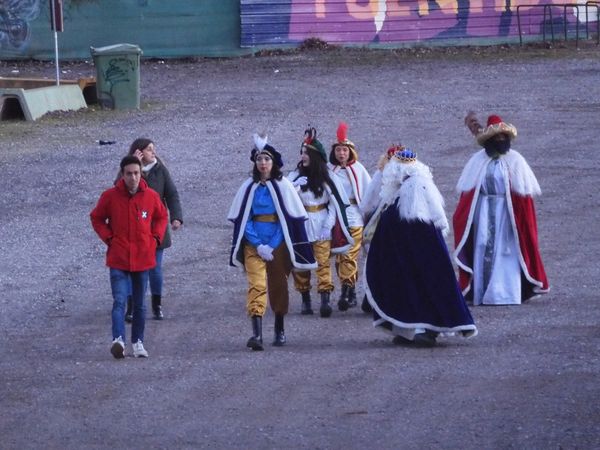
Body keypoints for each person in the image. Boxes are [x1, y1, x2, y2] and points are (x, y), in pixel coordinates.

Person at [364, 148, 477, 347]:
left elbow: (415, 223)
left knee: (421, 287)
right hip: (405, 253)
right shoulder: (402, 188)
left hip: (418, 254)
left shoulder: (414, 188)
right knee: (406, 287)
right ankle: (407, 330)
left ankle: (424, 329)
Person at [228, 134, 317, 351]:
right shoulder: (248, 187)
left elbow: (287, 219)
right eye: (259, 159)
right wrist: (258, 244)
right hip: (254, 245)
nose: (263, 163)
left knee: (278, 285)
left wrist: (272, 244)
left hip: (278, 244)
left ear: (273, 162)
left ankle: (279, 328)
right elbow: (244, 218)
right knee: (257, 284)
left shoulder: (283, 185)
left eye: (267, 159)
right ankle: (257, 334)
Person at [453, 113, 550, 305]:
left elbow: (523, 197)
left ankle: (505, 293)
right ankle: (482, 292)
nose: (500, 140)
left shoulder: (516, 160)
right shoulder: (477, 160)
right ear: (489, 140)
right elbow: (469, 194)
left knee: (507, 251)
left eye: (503, 137)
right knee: (483, 247)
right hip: (484, 211)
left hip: (507, 214)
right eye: (496, 137)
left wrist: (517, 218)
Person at [91, 155, 168, 359]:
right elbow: (96, 217)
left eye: (136, 173)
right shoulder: (110, 196)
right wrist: (109, 238)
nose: (133, 177)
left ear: (141, 173)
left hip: (142, 258)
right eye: (129, 174)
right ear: (122, 175)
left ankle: (138, 342)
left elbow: (161, 216)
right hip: (119, 258)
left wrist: (155, 238)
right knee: (119, 300)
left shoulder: (151, 196)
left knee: (140, 304)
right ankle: (118, 340)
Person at [288, 127, 354, 318]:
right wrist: (294, 187)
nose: (302, 156)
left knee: (323, 262)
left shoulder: (327, 177)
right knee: (301, 263)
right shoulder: (295, 176)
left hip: (322, 223)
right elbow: (287, 200)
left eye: (306, 153)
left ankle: (325, 299)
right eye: (302, 152)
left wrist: (328, 225)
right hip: (302, 225)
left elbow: (335, 203)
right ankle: (305, 299)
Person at [122, 138, 183, 321]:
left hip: (156, 229)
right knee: (132, 269)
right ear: (139, 152)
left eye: (153, 149)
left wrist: (176, 217)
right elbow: (119, 189)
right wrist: (135, 164)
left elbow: (172, 194)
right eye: (149, 149)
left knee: (154, 268)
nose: (153, 152)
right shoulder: (130, 171)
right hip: (134, 230)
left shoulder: (160, 170)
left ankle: (157, 305)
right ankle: (131, 307)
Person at [328, 122, 371, 311]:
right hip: (335, 217)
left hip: (354, 216)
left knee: (349, 254)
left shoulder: (359, 170)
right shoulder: (329, 170)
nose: (341, 153)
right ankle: (351, 291)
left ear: (350, 151)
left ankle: (345, 291)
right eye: (338, 150)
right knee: (340, 256)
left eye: (344, 150)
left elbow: (369, 193)